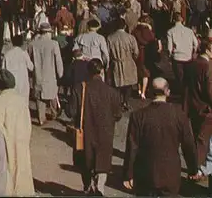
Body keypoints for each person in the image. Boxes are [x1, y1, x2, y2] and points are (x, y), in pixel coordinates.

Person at [123, 77, 198, 196]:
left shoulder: (138, 116)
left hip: (145, 171)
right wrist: (193, 169)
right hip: (170, 171)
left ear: (150, 92)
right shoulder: (179, 115)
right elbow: (188, 144)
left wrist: (128, 174)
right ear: (167, 91)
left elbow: (132, 147)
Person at [69, 59, 122, 196]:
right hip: (105, 132)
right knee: (102, 161)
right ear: (102, 71)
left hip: (85, 133)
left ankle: (87, 186)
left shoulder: (79, 88)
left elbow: (71, 112)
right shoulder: (112, 92)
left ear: (88, 71)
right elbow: (118, 114)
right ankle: (100, 187)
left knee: (85, 160)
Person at [0, 69, 35, 196]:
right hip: (22, 138)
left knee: (9, 169)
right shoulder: (21, 99)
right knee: (23, 166)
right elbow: (28, 122)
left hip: (7, 141)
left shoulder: (1, 100)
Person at [186, 40, 212, 166]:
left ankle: (192, 164)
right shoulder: (209, 66)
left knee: (195, 136)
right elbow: (211, 89)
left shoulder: (192, 63)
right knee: (203, 139)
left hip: (192, 104)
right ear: (207, 50)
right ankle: (198, 168)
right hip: (206, 108)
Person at [28, 22, 64, 126]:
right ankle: (54, 113)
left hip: (38, 74)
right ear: (48, 32)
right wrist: (60, 73)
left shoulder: (32, 44)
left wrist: (31, 71)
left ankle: (41, 118)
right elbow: (58, 61)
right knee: (52, 94)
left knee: (39, 98)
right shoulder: (54, 44)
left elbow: (29, 58)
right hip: (50, 74)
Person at [107, 18, 139, 111]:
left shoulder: (110, 38)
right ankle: (126, 102)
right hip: (128, 61)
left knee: (117, 84)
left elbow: (108, 53)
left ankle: (117, 102)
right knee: (128, 84)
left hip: (116, 62)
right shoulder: (130, 37)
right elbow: (136, 52)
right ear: (125, 26)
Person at [166, 12, 199, 99]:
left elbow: (169, 47)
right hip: (188, 57)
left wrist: (169, 55)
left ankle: (183, 94)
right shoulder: (189, 31)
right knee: (188, 76)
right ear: (182, 20)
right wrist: (194, 52)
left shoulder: (170, 31)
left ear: (173, 20)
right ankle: (189, 93)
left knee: (180, 77)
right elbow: (196, 43)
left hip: (177, 57)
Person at [132, 15, 159, 100]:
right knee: (146, 74)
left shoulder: (134, 31)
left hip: (137, 53)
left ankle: (139, 90)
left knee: (139, 73)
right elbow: (152, 41)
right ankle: (143, 92)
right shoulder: (148, 31)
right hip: (146, 54)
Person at [2, 34, 34, 103]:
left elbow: (3, 70)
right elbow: (31, 67)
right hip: (23, 85)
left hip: (11, 85)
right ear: (22, 43)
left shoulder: (7, 54)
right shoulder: (24, 53)